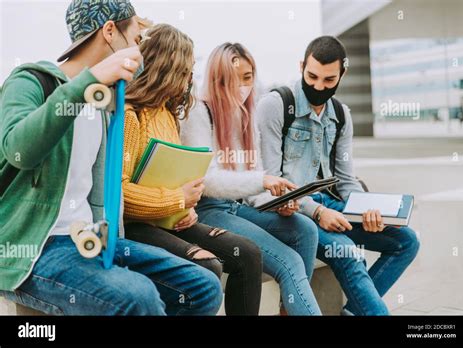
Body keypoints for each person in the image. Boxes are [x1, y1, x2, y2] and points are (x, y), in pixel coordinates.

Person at [0, 0, 222, 316]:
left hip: (92, 241)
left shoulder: (103, 106)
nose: (139, 54)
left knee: (202, 287)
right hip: (34, 246)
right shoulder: (30, 81)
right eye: (134, 41)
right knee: (140, 296)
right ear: (109, 32)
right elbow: (18, 149)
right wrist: (87, 84)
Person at [253, 35, 420, 315]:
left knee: (407, 241)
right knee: (350, 254)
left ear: (342, 74)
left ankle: (354, 310)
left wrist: (368, 207)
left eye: (329, 80)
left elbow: (344, 178)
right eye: (312, 76)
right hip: (292, 211)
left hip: (332, 205)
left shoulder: (341, 115)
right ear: (301, 66)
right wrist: (318, 212)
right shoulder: (276, 105)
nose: (318, 86)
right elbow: (271, 179)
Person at [123, 24, 263, 316]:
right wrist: (176, 200)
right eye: (186, 71)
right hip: (136, 226)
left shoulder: (168, 113)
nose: (190, 79)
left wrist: (186, 208)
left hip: (171, 219)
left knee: (247, 254)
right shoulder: (130, 117)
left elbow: (173, 179)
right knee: (207, 266)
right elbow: (119, 193)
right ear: (167, 70)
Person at [181, 42, 321, 316]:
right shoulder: (200, 113)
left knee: (305, 230)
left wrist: (280, 201)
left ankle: (290, 309)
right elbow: (207, 181)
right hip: (208, 210)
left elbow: (257, 189)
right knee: (289, 261)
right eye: (235, 79)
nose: (243, 86)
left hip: (237, 208)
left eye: (248, 78)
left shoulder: (246, 115)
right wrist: (262, 181)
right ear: (218, 79)